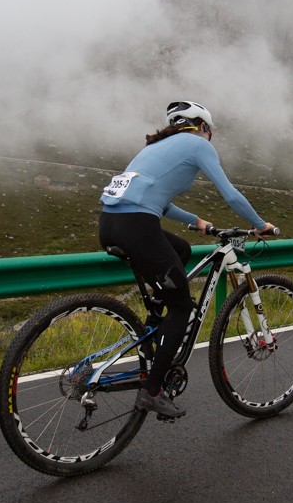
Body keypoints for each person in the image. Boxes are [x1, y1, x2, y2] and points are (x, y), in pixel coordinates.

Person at [98, 100, 277, 419]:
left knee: (180, 250)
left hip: (111, 224)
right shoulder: (197, 143)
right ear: (204, 128)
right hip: (137, 225)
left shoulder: (157, 146)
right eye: (211, 132)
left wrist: (198, 222)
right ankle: (152, 391)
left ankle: (155, 322)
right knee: (182, 307)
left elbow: (159, 202)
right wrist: (259, 223)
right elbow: (231, 194)